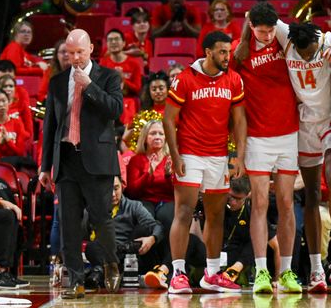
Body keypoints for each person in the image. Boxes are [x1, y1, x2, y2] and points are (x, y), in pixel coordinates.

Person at [39, 29, 123, 299]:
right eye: (69, 53)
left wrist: (90, 86)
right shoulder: (57, 81)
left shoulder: (109, 76)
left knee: (101, 220)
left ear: (90, 51)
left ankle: (111, 263)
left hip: (97, 161)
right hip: (66, 157)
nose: (74, 58)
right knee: (69, 223)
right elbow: (50, 126)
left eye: (79, 53)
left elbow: (116, 111)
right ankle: (76, 280)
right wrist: (44, 166)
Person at [163, 31, 247, 294]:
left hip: (219, 155)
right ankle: (177, 273)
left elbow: (240, 120)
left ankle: (212, 274)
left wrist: (240, 156)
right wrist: (175, 156)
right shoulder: (185, 79)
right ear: (208, 52)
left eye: (228, 52)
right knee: (184, 212)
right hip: (189, 154)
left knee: (216, 215)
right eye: (222, 52)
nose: (227, 57)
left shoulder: (233, 79)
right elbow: (168, 119)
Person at [232, 2, 301, 294]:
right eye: (261, 31)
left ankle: (285, 272)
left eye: (271, 29)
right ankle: (261, 271)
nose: (267, 35)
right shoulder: (240, 51)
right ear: (251, 27)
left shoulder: (285, 41)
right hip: (257, 137)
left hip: (289, 133)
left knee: (286, 203)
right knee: (259, 203)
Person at [277, 21, 331, 292]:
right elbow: (258, 14)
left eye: (311, 53)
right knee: (311, 196)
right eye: (302, 54)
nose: (306, 57)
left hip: (330, 117)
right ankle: (317, 268)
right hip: (304, 123)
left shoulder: (330, 40)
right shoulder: (288, 38)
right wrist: (247, 41)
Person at [84, 176, 164, 287]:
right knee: (91, 247)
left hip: (129, 254)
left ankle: (100, 272)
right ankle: (111, 271)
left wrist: (152, 238)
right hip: (105, 253)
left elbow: (157, 226)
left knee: (143, 230)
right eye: (108, 189)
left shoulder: (134, 206)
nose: (112, 194)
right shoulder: (92, 210)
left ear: (122, 186)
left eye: (116, 188)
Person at [125, 120, 175, 278]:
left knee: (167, 218)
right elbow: (132, 191)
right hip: (144, 200)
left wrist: (168, 177)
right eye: (153, 133)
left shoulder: (171, 159)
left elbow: (176, 191)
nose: (157, 136)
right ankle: (145, 269)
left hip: (167, 200)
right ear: (145, 138)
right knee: (146, 222)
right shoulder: (136, 160)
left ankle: (167, 269)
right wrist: (148, 174)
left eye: (161, 133)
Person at [100, 28, 144, 125]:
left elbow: (137, 89)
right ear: (106, 44)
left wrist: (122, 79)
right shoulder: (103, 63)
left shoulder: (134, 63)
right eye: (110, 40)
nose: (114, 42)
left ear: (124, 43)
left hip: (128, 99)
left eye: (117, 39)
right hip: (109, 99)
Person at [38, 38, 70, 103]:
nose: (66, 54)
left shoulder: (79, 71)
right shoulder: (49, 72)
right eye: (63, 52)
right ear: (56, 56)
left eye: (69, 51)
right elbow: (41, 95)